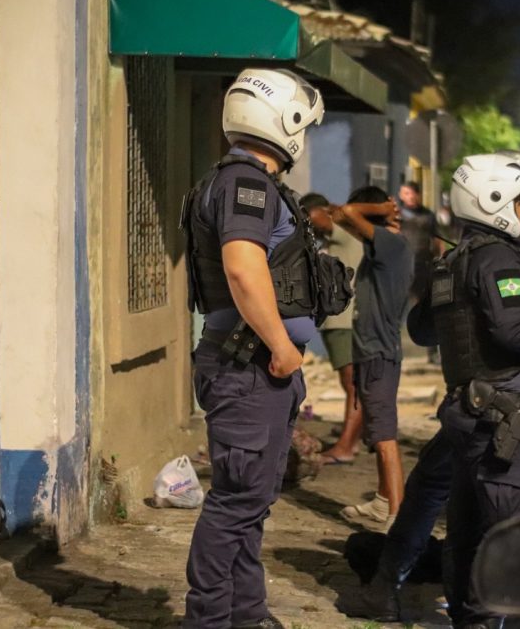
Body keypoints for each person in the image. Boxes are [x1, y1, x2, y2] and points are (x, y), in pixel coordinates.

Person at [181, 68, 344, 629]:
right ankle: (208, 619)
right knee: (235, 503)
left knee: (252, 500)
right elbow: (242, 268)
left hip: (254, 367)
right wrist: (280, 345)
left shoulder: (244, 183)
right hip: (249, 363)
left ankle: (246, 614)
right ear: (284, 121)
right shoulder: (244, 186)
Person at [413, 152, 520, 628]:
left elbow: (422, 328)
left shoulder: (454, 260)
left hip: (468, 415)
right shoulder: (498, 259)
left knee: (468, 535)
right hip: (502, 420)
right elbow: (518, 334)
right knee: (512, 540)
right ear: (495, 201)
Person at [335, 186, 414, 528]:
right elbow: (342, 215)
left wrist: (381, 209)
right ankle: (383, 502)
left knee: (384, 438)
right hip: (370, 353)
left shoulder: (390, 244)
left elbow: (345, 213)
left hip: (380, 354)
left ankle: (398, 518)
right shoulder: (379, 246)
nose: (353, 230)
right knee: (376, 433)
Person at [300, 192, 365, 465]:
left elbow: (327, 217)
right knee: (352, 384)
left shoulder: (344, 235)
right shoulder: (333, 240)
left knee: (353, 385)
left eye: (309, 217)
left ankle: (346, 446)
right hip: (337, 323)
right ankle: (354, 440)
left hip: (344, 323)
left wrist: (331, 211)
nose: (309, 225)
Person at [399, 180, 443, 361]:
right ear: (401, 195)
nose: (409, 197)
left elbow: (437, 240)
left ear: (417, 194)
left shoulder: (428, 216)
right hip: (400, 266)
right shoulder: (397, 215)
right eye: (405, 193)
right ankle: (395, 350)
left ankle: (432, 352)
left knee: (426, 307)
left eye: (411, 193)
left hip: (423, 267)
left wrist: (441, 261)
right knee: (396, 307)